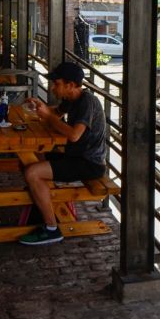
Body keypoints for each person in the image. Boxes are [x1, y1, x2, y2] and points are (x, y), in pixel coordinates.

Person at [20, 62, 107, 245]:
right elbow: (55, 113)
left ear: (70, 85)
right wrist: (40, 107)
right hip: (75, 156)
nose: (53, 88)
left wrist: (49, 117)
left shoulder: (87, 102)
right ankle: (42, 204)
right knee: (33, 159)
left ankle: (52, 229)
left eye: (56, 84)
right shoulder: (71, 99)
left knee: (32, 173)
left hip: (89, 164)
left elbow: (74, 135)